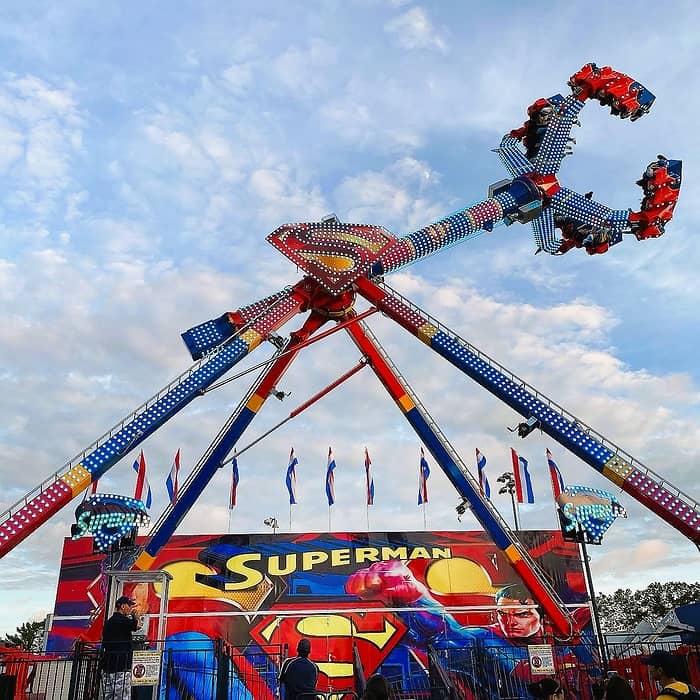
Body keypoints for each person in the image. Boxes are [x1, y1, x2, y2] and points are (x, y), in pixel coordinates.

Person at [99, 594, 143, 700]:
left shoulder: (109, 622)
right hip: (121, 666)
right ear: (122, 606)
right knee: (123, 696)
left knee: (108, 696)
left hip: (108, 666)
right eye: (129, 605)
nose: (130, 608)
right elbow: (138, 625)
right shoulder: (122, 620)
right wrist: (135, 615)